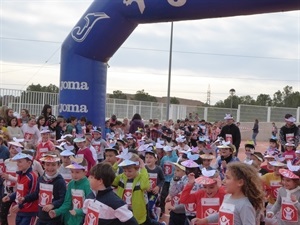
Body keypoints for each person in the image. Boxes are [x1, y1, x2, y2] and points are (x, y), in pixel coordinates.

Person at [192, 162, 265, 225]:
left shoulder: (245, 205)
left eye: (227, 178)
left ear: (240, 182)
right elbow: (222, 214)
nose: (224, 181)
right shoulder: (227, 197)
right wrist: (204, 220)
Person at [21, 154, 66, 225]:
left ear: (58, 165)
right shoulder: (41, 179)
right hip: (41, 216)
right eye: (47, 165)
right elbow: (36, 194)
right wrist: (24, 198)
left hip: (53, 217)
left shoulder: (60, 181)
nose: (50, 168)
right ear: (43, 165)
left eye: (53, 165)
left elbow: (63, 199)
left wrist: (52, 205)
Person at [49, 158, 91, 225]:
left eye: (77, 172)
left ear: (85, 172)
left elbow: (90, 205)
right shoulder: (71, 183)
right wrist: (57, 212)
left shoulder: (88, 185)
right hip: (71, 219)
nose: (74, 175)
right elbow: (67, 202)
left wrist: (79, 211)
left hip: (83, 219)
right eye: (72, 172)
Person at [112, 152, 150, 225]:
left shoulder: (141, 177)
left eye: (130, 171)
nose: (127, 173)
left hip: (137, 212)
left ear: (137, 168)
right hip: (123, 211)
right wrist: (116, 164)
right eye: (125, 171)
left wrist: (143, 167)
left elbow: (145, 186)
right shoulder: (121, 177)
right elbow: (110, 180)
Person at [2, 152, 39, 225]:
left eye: (20, 162)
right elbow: (20, 192)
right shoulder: (20, 175)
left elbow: (33, 196)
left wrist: (20, 206)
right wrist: (10, 197)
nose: (17, 164)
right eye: (17, 162)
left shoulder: (32, 177)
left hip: (29, 212)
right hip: (20, 211)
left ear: (29, 163)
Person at [145, 148, 165, 221]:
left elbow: (163, 179)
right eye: (146, 157)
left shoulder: (158, 169)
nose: (148, 159)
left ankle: (155, 219)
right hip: (145, 192)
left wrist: (158, 187)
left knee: (150, 208)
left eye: (150, 157)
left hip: (154, 193)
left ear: (155, 159)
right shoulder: (143, 168)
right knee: (145, 208)